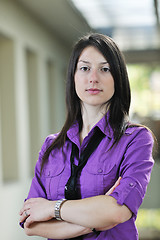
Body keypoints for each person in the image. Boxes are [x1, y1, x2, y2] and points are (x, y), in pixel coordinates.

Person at [19, 33, 154, 240]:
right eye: (84, 68)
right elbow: (31, 223)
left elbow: (117, 211)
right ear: (73, 76)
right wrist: (92, 223)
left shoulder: (136, 139)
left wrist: (52, 208)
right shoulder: (52, 146)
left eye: (105, 69)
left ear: (118, 78)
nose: (93, 78)